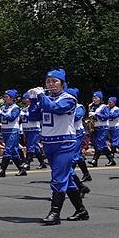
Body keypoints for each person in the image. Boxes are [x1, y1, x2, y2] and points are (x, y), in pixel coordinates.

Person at [28, 69, 88, 224]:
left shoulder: (69, 98)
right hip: (49, 143)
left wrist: (41, 96)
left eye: (55, 81)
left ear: (62, 83)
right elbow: (34, 117)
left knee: (58, 179)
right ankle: (81, 211)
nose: (51, 84)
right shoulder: (45, 98)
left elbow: (55, 108)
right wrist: (34, 100)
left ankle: (55, 213)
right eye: (48, 81)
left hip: (64, 143)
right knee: (66, 178)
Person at [0, 90, 27, 178]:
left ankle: (2, 169)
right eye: (4, 97)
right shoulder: (3, 107)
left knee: (7, 149)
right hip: (4, 130)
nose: (5, 99)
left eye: (7, 97)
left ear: (12, 98)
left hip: (13, 130)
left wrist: (1, 113)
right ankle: (21, 169)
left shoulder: (16, 108)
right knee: (14, 151)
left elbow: (12, 118)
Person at [21, 93, 46, 170]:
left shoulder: (35, 107)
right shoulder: (23, 108)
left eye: (26, 98)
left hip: (34, 129)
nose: (24, 100)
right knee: (35, 147)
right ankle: (42, 163)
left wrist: (26, 115)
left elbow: (35, 116)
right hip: (26, 129)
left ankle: (27, 163)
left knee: (30, 146)